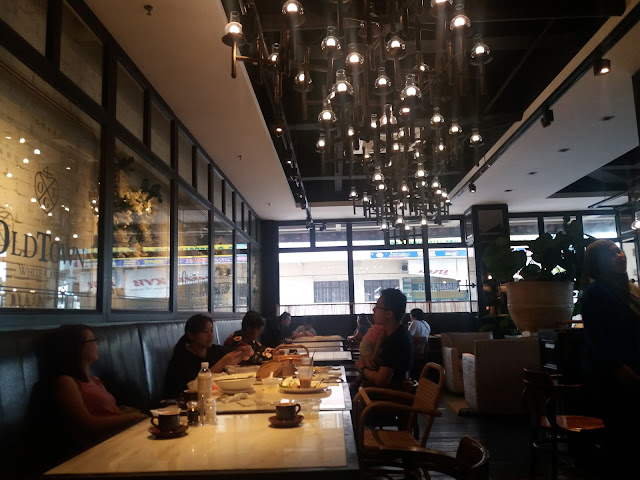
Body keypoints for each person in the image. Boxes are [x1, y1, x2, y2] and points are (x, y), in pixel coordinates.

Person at [580, 239, 640, 477]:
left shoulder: (630, 290)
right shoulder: (595, 294)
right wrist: (619, 368)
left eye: (619, 251)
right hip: (612, 375)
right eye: (612, 254)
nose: (620, 256)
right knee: (622, 435)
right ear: (599, 263)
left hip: (630, 367)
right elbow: (598, 339)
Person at [48, 325, 148, 450]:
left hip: (122, 437)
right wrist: (133, 417)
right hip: (102, 447)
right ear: (77, 347)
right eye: (93, 340)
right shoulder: (66, 383)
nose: (97, 344)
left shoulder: (95, 380)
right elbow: (88, 425)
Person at [164, 314, 246, 398]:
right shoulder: (182, 358)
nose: (211, 335)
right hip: (182, 401)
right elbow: (195, 386)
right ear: (191, 335)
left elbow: (231, 351)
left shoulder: (213, 350)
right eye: (205, 332)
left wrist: (243, 351)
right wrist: (222, 363)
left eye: (211, 330)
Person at [357, 288, 413, 388]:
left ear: (389, 314)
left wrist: (362, 368)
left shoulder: (396, 340)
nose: (373, 310)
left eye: (377, 307)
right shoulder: (394, 333)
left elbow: (381, 380)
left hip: (387, 395)